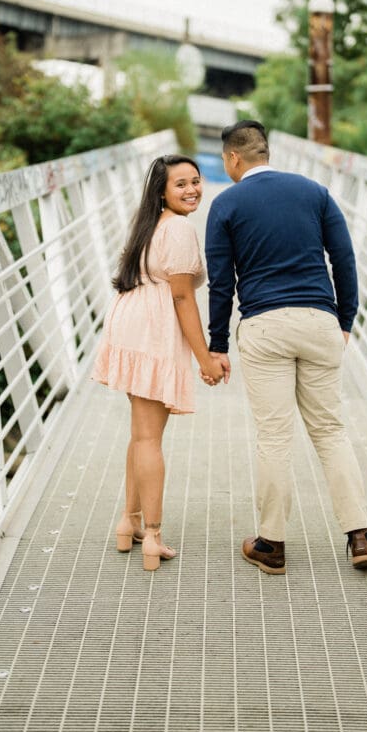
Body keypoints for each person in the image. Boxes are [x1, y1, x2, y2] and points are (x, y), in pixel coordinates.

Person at [205, 120, 367, 575]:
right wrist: (344, 319)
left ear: (232, 159)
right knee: (330, 430)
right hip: (319, 321)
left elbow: (221, 284)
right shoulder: (315, 192)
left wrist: (217, 344)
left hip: (265, 325)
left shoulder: (225, 204)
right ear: (267, 152)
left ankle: (272, 545)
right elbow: (344, 259)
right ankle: (361, 536)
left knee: (275, 436)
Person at [93, 154, 225, 571]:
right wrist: (205, 358)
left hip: (129, 320)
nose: (192, 190)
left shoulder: (148, 224)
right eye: (180, 184)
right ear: (162, 192)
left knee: (140, 433)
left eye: (196, 181)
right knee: (150, 438)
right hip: (152, 328)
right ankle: (153, 535)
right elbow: (183, 297)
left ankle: (127, 522)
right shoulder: (181, 229)